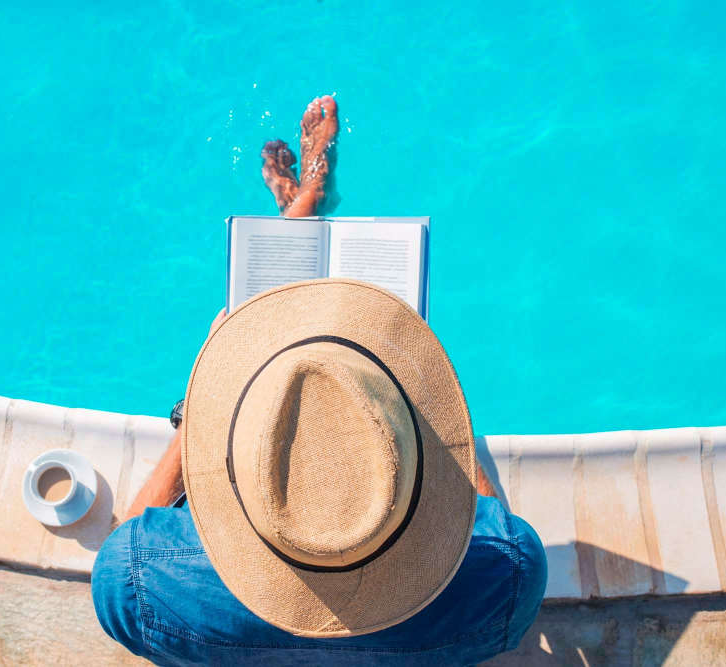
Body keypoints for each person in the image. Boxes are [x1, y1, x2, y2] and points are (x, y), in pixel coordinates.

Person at [91, 96, 546, 665]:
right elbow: (489, 522)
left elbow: (120, 547)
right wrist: (431, 418)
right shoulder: (507, 579)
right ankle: (306, 198)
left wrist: (199, 412)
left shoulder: (135, 584)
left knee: (286, 372)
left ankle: (300, 209)